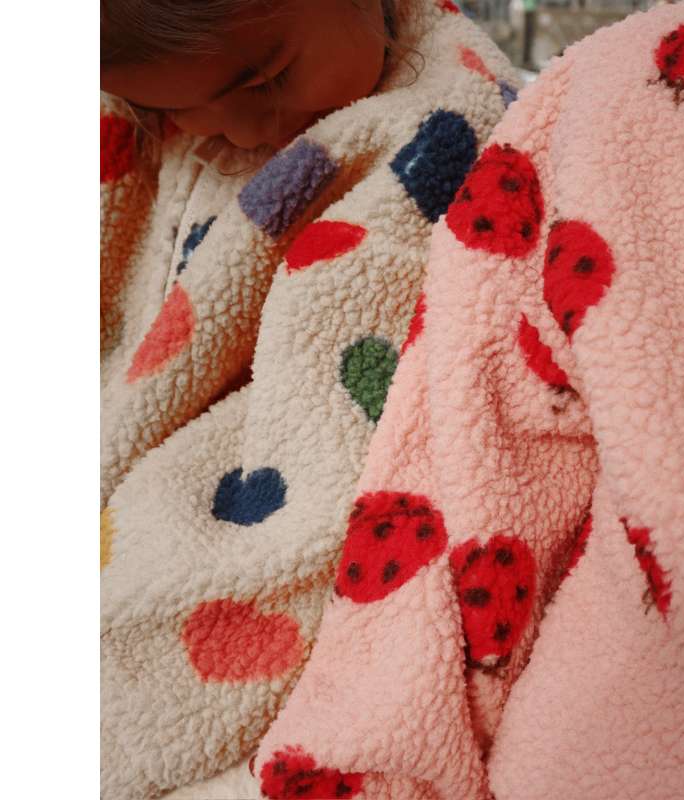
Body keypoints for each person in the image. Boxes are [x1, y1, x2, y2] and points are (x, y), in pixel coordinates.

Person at [99, 1, 519, 798]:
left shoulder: (442, 124)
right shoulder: (123, 123)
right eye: (172, 111)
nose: (243, 131)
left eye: (265, 77)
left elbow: (334, 426)